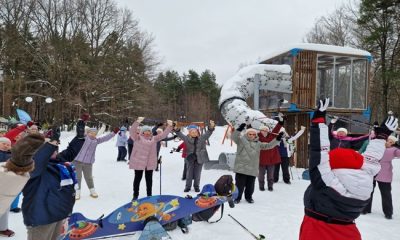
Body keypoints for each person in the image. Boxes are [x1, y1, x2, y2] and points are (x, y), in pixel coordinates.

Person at [299, 98, 398, 240]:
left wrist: (318, 121)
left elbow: (319, 151)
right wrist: (382, 136)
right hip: (349, 234)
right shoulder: (366, 176)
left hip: (317, 232)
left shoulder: (327, 182)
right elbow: (372, 158)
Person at [22, 122, 86, 240]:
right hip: (41, 218)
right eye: (51, 147)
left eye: (56, 148)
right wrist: (50, 143)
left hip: (58, 214)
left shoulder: (58, 161)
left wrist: (80, 137)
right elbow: (38, 160)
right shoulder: (30, 165)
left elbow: (71, 151)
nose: (55, 150)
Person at [0, 134, 45, 237]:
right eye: (3, 143)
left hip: (6, 184)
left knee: (4, 207)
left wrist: (21, 159)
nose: (6, 146)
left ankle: (2, 228)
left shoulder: (10, 155)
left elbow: (15, 169)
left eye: (8, 144)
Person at [231, 123, 283, 204]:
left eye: (253, 134)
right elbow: (233, 137)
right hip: (241, 168)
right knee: (239, 185)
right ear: (246, 134)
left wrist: (277, 139)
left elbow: (269, 145)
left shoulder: (258, 143)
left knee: (250, 186)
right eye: (250, 134)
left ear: (255, 135)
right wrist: (239, 129)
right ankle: (237, 198)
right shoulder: (241, 140)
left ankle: (249, 197)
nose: (251, 135)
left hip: (252, 168)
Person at [129, 117, 173, 199]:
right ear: (142, 132)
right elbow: (132, 131)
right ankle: (135, 195)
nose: (147, 132)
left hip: (149, 163)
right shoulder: (137, 138)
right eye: (146, 130)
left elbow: (163, 135)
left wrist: (170, 126)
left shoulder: (154, 138)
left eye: (149, 130)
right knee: (137, 179)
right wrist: (137, 122)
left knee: (149, 180)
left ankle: (149, 195)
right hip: (139, 162)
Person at [74, 126, 118, 199]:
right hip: (77, 161)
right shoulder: (83, 138)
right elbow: (79, 133)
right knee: (77, 177)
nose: (93, 134)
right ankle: (77, 192)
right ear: (87, 133)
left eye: (95, 133)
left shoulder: (96, 141)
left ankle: (92, 191)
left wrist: (114, 133)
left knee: (89, 177)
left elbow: (105, 138)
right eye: (91, 133)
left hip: (88, 162)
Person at [362, 135, 400, 219]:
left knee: (386, 194)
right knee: (368, 191)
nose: (388, 143)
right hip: (372, 172)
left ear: (393, 144)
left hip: (384, 175)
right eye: (388, 140)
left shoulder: (394, 150)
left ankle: (388, 212)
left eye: (391, 142)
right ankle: (365, 209)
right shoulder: (378, 147)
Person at [175, 121, 215, 193]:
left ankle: (196, 186)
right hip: (190, 159)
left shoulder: (202, 138)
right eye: (192, 132)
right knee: (189, 173)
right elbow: (179, 134)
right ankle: (188, 187)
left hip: (200, 158)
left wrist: (211, 127)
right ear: (189, 132)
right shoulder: (186, 138)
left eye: (195, 131)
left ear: (197, 132)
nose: (194, 133)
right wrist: (176, 129)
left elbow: (208, 133)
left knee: (197, 174)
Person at [258, 114, 283, 191]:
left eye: (266, 130)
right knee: (261, 175)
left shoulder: (272, 135)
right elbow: (249, 133)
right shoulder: (257, 137)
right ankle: (261, 186)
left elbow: (276, 129)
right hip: (261, 160)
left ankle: (270, 186)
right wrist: (248, 125)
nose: (264, 131)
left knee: (270, 175)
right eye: (263, 130)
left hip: (271, 159)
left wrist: (281, 121)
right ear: (260, 131)